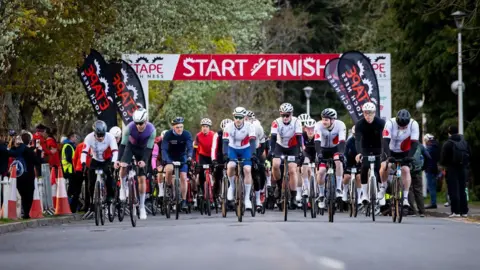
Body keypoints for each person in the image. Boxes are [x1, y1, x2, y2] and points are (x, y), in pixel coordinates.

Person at [115, 108, 156, 219]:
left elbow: (149, 149)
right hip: (131, 147)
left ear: (146, 121)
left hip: (143, 150)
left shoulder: (151, 130)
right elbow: (123, 145)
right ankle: (123, 188)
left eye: (141, 123)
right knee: (123, 166)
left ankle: (142, 207)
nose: (138, 126)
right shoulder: (129, 128)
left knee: (141, 178)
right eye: (136, 123)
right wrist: (119, 160)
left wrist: (144, 161)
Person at [379, 109, 419, 208]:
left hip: (404, 151)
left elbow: (414, 144)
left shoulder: (414, 124)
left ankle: (405, 198)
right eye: (400, 125)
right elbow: (385, 142)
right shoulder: (390, 123)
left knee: (405, 170)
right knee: (385, 166)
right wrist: (388, 156)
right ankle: (383, 187)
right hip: (390, 149)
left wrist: (409, 157)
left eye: (404, 126)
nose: (402, 128)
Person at [82, 120, 119, 217]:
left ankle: (110, 197)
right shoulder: (89, 138)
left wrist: (113, 162)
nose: (101, 138)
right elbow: (84, 152)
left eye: (102, 135)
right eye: (98, 136)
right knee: (90, 182)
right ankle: (93, 200)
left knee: (109, 178)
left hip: (106, 160)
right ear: (94, 133)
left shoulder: (110, 137)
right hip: (95, 160)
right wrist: (83, 163)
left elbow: (115, 151)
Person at [269, 103, 303, 207]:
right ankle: (279, 187)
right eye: (283, 115)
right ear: (280, 114)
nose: (285, 117)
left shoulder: (297, 122)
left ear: (291, 114)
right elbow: (273, 138)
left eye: (287, 115)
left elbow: (299, 138)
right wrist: (272, 151)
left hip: (293, 147)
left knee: (292, 170)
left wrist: (301, 151)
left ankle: (293, 196)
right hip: (280, 146)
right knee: (275, 164)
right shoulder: (276, 122)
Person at [223, 107, 257, 210]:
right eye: (236, 117)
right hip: (232, 148)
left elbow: (252, 142)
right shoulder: (228, 126)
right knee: (231, 165)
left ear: (244, 118)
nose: (238, 119)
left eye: (240, 117)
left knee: (247, 169)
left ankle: (247, 199)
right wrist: (225, 154)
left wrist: (253, 154)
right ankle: (232, 186)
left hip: (245, 149)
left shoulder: (250, 126)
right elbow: (225, 142)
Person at [314, 108, 347, 208]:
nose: (324, 121)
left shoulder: (340, 125)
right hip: (323, 149)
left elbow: (342, 141)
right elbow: (317, 142)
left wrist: (341, 153)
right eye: (323, 119)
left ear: (333, 120)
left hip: (336, 148)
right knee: (321, 171)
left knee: (338, 162)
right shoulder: (318, 125)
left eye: (326, 119)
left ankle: (338, 189)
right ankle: (321, 195)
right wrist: (319, 154)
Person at [354, 102, 385, 203]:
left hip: (378, 147)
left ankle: (381, 192)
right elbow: (358, 140)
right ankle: (365, 195)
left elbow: (384, 138)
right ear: (363, 114)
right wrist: (359, 153)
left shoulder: (381, 122)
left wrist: (384, 153)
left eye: (370, 113)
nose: (368, 116)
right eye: (366, 113)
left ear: (374, 113)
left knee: (379, 168)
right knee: (364, 167)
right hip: (365, 148)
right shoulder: (359, 124)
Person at [162, 117, 193, 211]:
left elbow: (190, 147)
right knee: (169, 169)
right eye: (177, 127)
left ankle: (183, 200)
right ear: (173, 128)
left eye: (181, 127)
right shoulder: (168, 134)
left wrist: (189, 157)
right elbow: (164, 149)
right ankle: (168, 186)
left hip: (182, 156)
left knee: (183, 177)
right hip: (170, 157)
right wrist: (166, 160)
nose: (180, 129)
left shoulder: (186, 134)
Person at [440, 125, 470, 217]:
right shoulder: (464, 142)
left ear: (449, 133)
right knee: (462, 189)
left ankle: (455, 211)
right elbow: (470, 154)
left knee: (454, 190)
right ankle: (464, 211)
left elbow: (443, 158)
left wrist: (444, 166)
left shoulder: (448, 143)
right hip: (463, 168)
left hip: (451, 168)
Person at [9, 133, 41, 219]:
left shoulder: (15, 150)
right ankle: (26, 212)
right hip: (29, 176)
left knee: (21, 194)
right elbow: (37, 162)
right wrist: (39, 151)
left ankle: (22, 211)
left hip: (18, 176)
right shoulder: (29, 151)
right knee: (28, 195)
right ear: (29, 141)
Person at [246, 110, 267, 211]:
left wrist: (257, 157)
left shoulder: (258, 127)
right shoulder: (240, 127)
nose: (247, 121)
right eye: (246, 119)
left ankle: (259, 196)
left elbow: (263, 144)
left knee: (259, 171)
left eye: (250, 119)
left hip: (257, 149)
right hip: (244, 150)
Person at [193, 118, 216, 205]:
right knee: (201, 174)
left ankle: (214, 191)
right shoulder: (198, 136)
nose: (204, 128)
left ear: (209, 127)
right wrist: (194, 160)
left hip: (211, 156)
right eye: (203, 126)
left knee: (215, 172)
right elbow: (195, 149)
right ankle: (203, 190)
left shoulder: (213, 135)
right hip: (203, 156)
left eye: (206, 126)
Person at [408, 143, 431, 217]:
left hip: (407, 170)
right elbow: (428, 157)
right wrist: (423, 167)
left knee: (409, 190)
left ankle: (413, 211)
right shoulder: (420, 145)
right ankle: (422, 211)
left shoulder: (404, 144)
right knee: (418, 191)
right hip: (418, 171)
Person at [212, 119, 232, 197]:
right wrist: (214, 159)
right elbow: (214, 148)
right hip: (220, 156)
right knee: (217, 174)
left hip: (230, 155)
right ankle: (216, 192)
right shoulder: (217, 134)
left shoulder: (233, 134)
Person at [71, 137, 91, 213]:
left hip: (79, 168)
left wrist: (75, 168)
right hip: (88, 168)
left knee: (77, 189)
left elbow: (74, 158)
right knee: (88, 189)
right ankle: (86, 206)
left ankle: (73, 207)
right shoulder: (91, 146)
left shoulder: (79, 145)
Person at [300, 118, 316, 205]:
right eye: (308, 129)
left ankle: (319, 189)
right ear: (305, 129)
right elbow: (302, 146)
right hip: (307, 153)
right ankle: (306, 188)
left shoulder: (318, 134)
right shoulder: (302, 135)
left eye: (312, 128)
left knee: (319, 171)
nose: (310, 131)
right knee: (305, 166)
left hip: (316, 153)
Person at [343, 125, 361, 202]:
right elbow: (345, 153)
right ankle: (345, 191)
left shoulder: (363, 141)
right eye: (355, 135)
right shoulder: (349, 141)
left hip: (359, 161)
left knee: (359, 177)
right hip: (349, 161)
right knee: (347, 177)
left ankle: (359, 195)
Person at [424, 133, 441, 209]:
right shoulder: (437, 146)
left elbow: (425, 157)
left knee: (431, 187)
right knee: (432, 186)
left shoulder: (429, 148)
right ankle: (433, 201)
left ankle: (433, 203)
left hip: (430, 168)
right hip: (435, 168)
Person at [62, 132, 77, 202]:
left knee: (72, 186)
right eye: (74, 137)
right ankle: (69, 201)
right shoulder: (68, 146)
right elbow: (69, 159)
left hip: (70, 168)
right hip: (69, 169)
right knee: (71, 186)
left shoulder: (69, 145)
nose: (76, 138)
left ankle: (70, 200)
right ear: (71, 137)